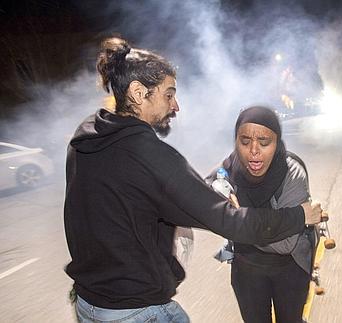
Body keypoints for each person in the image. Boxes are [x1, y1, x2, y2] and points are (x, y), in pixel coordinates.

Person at [64, 37, 322, 323]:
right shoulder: (152, 158)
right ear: (138, 93)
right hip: (135, 312)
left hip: (89, 305)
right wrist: (299, 217)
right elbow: (231, 222)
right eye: (168, 94)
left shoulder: (86, 136)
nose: (176, 106)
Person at [206, 106, 314, 323]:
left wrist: (236, 220)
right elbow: (207, 190)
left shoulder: (292, 173)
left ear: (277, 142)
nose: (253, 150)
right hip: (246, 267)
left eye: (264, 142)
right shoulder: (230, 166)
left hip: (289, 267)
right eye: (245, 142)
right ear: (236, 142)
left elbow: (285, 245)